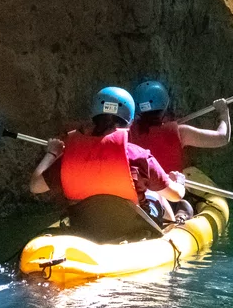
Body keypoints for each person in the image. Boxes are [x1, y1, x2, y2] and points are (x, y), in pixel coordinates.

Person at [29, 86, 186, 227]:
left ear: (94, 118)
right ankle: (170, 233)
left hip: (86, 224)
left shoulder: (72, 155)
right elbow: (176, 196)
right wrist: (178, 182)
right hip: (133, 226)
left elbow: (35, 186)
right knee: (157, 193)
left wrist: (52, 153)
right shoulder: (138, 156)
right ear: (130, 122)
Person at [129, 80, 231, 221]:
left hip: (137, 195)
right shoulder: (180, 132)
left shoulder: (125, 133)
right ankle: (180, 216)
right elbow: (222, 138)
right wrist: (223, 113)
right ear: (165, 104)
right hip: (170, 195)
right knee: (184, 203)